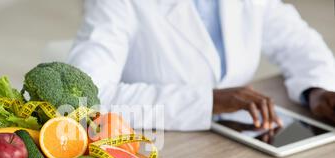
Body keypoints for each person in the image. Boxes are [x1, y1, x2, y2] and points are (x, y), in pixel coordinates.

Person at [67, 0, 335, 131]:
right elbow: (85, 99)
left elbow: (299, 42)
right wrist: (206, 101)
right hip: (159, 147)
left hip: (238, 142)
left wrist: (316, 88)